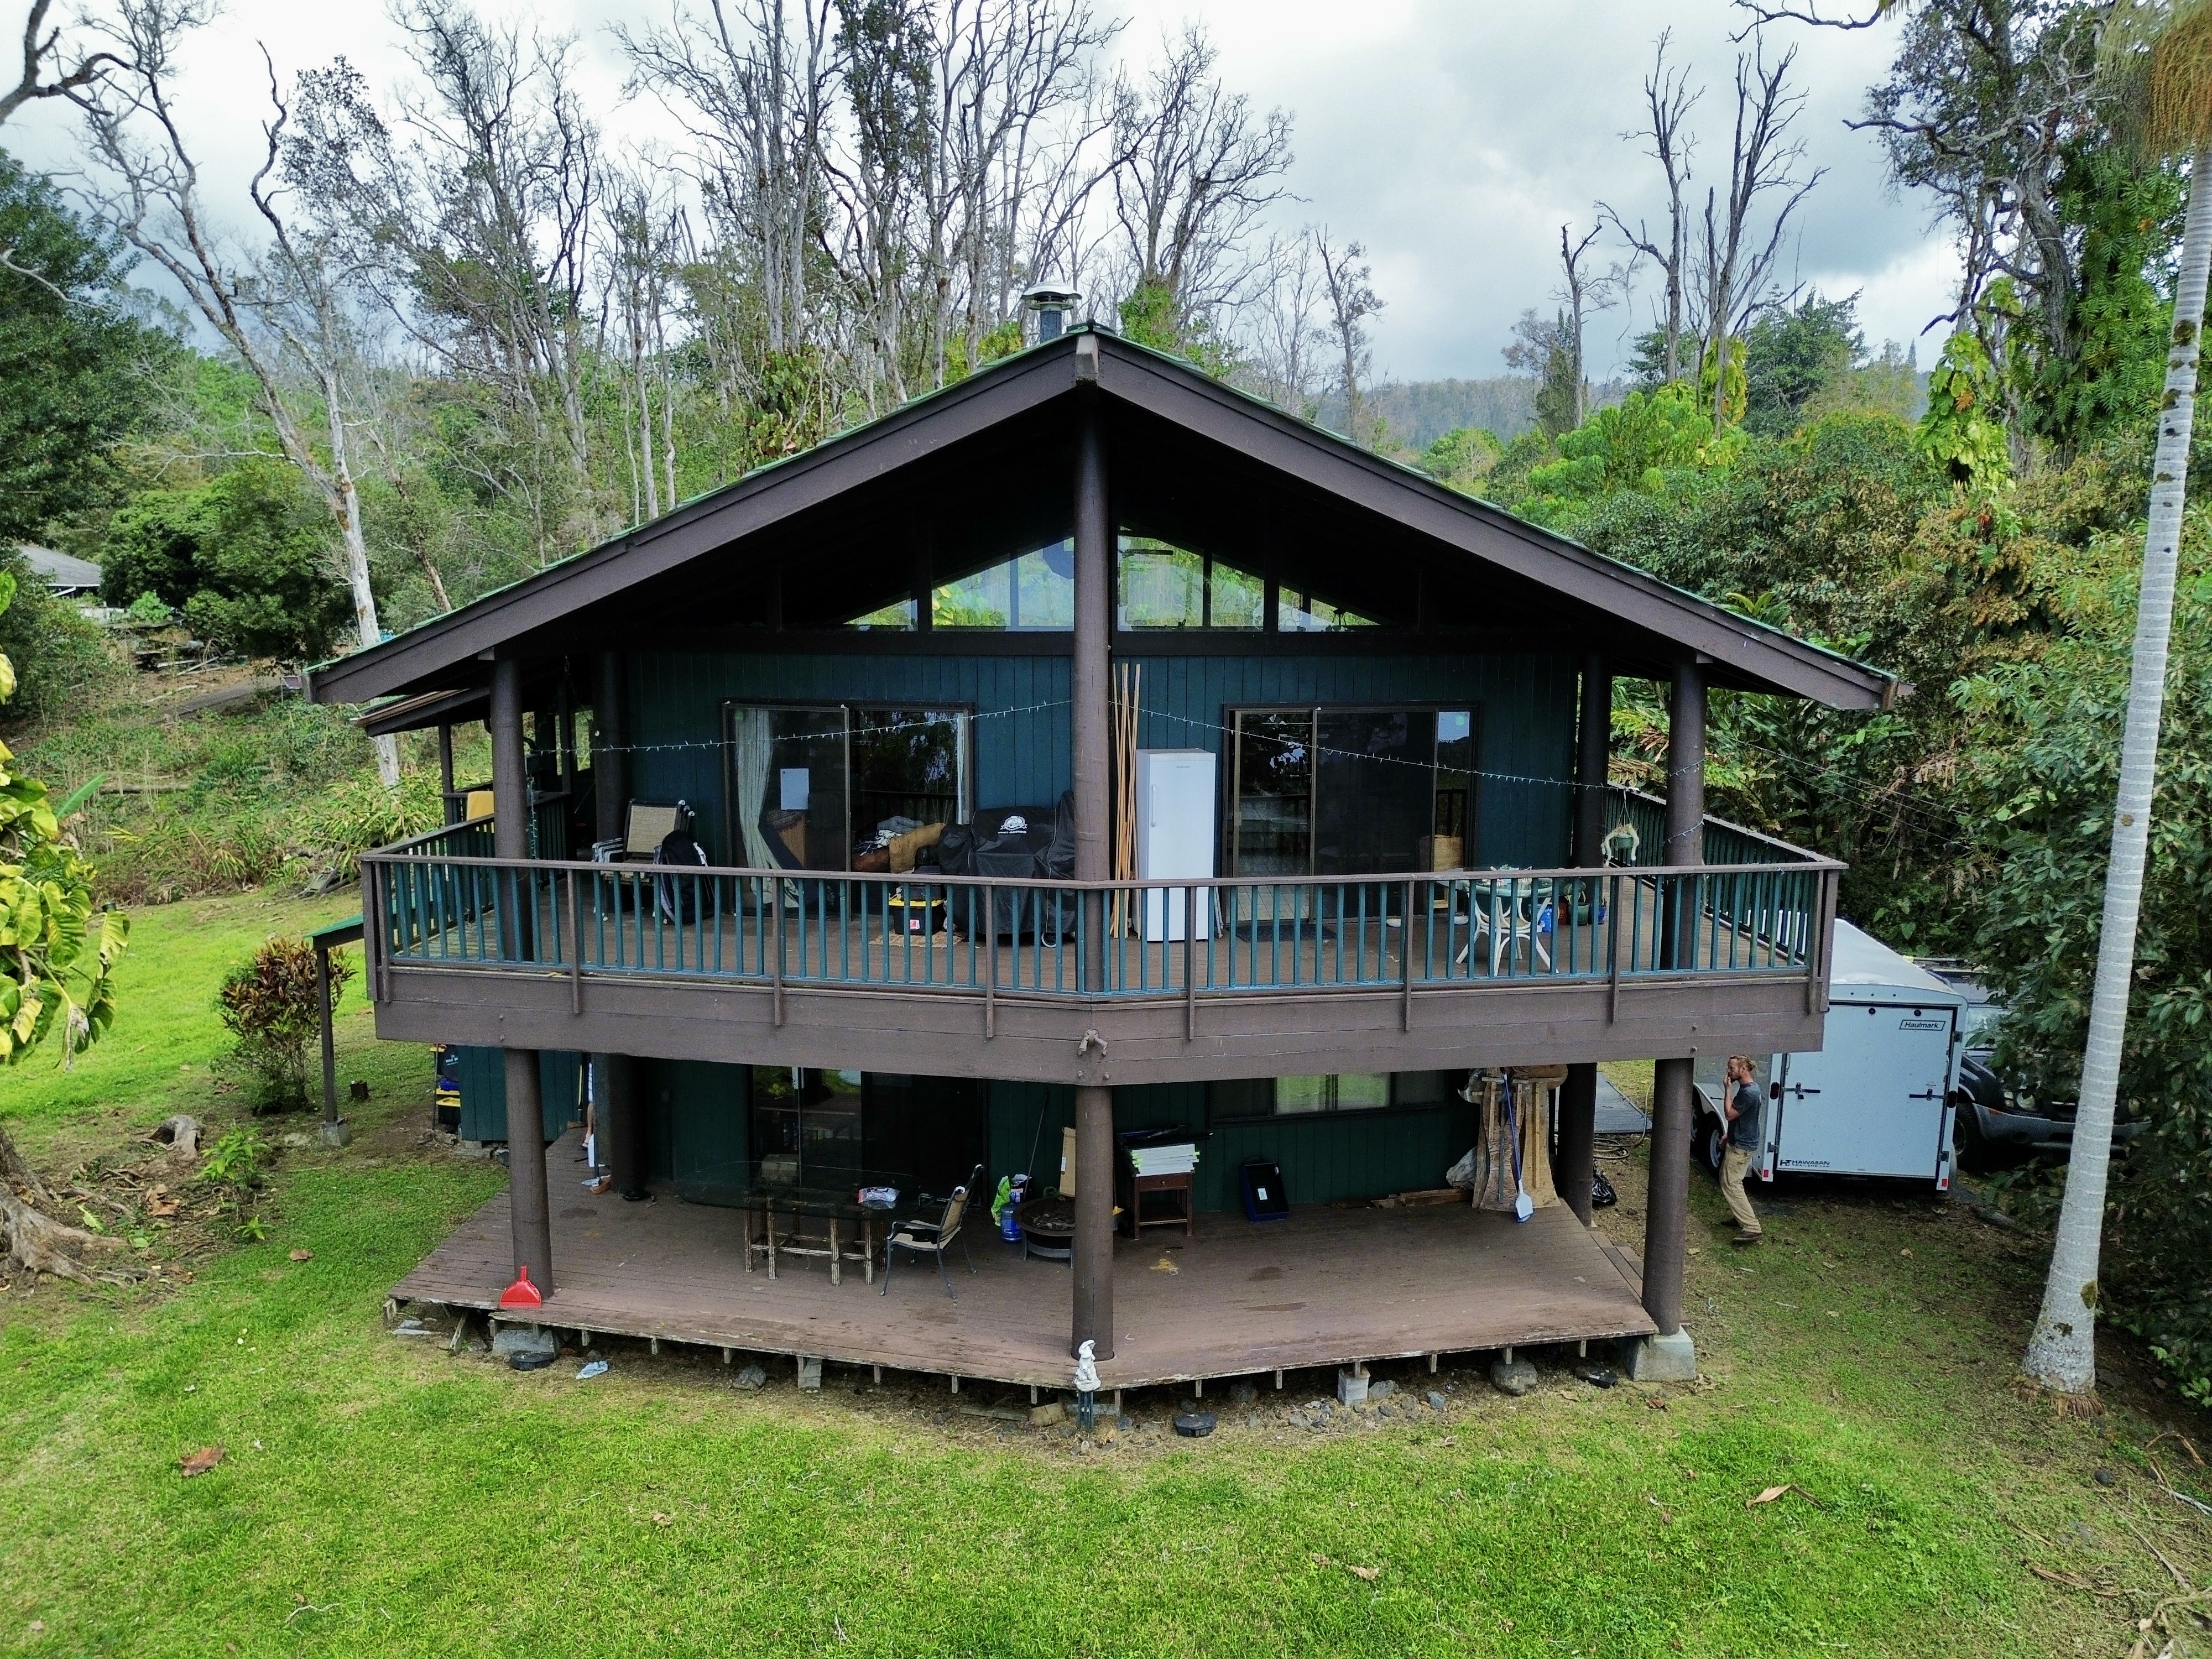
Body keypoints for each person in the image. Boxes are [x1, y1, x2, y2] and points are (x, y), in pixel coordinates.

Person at [1720, 1055, 1764, 1245]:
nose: (1729, 1072)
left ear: (1744, 1069)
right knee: (1732, 1181)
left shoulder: (1749, 1093)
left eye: (1731, 1068)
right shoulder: (1749, 1089)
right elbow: (1743, 1119)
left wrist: (1728, 1090)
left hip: (1741, 1148)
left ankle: (1751, 1228)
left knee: (1731, 1184)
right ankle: (1740, 1217)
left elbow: (1730, 1115)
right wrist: (1728, 1136)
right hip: (1740, 1141)